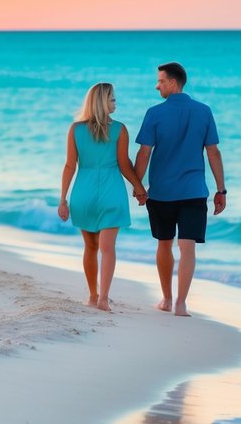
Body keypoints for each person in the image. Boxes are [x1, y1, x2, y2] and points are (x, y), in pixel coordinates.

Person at [134, 62, 226, 317]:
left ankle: (166, 298)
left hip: (162, 192)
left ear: (173, 83)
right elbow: (213, 152)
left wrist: (138, 185)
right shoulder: (204, 111)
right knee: (188, 247)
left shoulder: (154, 113)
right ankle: (181, 304)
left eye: (160, 81)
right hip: (194, 191)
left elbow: (144, 152)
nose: (157, 85)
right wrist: (221, 190)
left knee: (164, 244)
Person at [58, 82, 147, 312]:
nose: (115, 103)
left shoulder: (75, 130)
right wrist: (139, 188)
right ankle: (104, 299)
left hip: (83, 193)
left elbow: (69, 166)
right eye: (112, 99)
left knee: (90, 247)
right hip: (111, 192)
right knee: (108, 248)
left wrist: (63, 199)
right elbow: (124, 164)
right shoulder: (119, 129)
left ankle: (92, 295)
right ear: (103, 102)